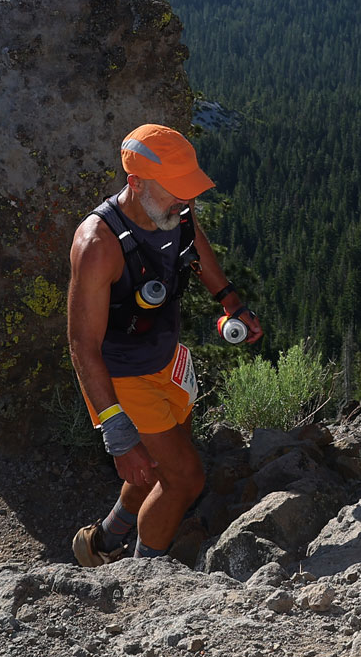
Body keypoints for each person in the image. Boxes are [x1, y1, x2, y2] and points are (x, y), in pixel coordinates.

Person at [67, 124, 262, 566]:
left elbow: (199, 254)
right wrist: (115, 430)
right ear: (135, 183)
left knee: (156, 466)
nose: (186, 201)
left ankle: (100, 542)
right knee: (184, 479)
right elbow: (82, 345)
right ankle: (143, 581)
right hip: (123, 378)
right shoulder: (98, 245)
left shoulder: (173, 212)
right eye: (177, 191)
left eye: (188, 191)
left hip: (167, 361)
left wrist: (231, 303)